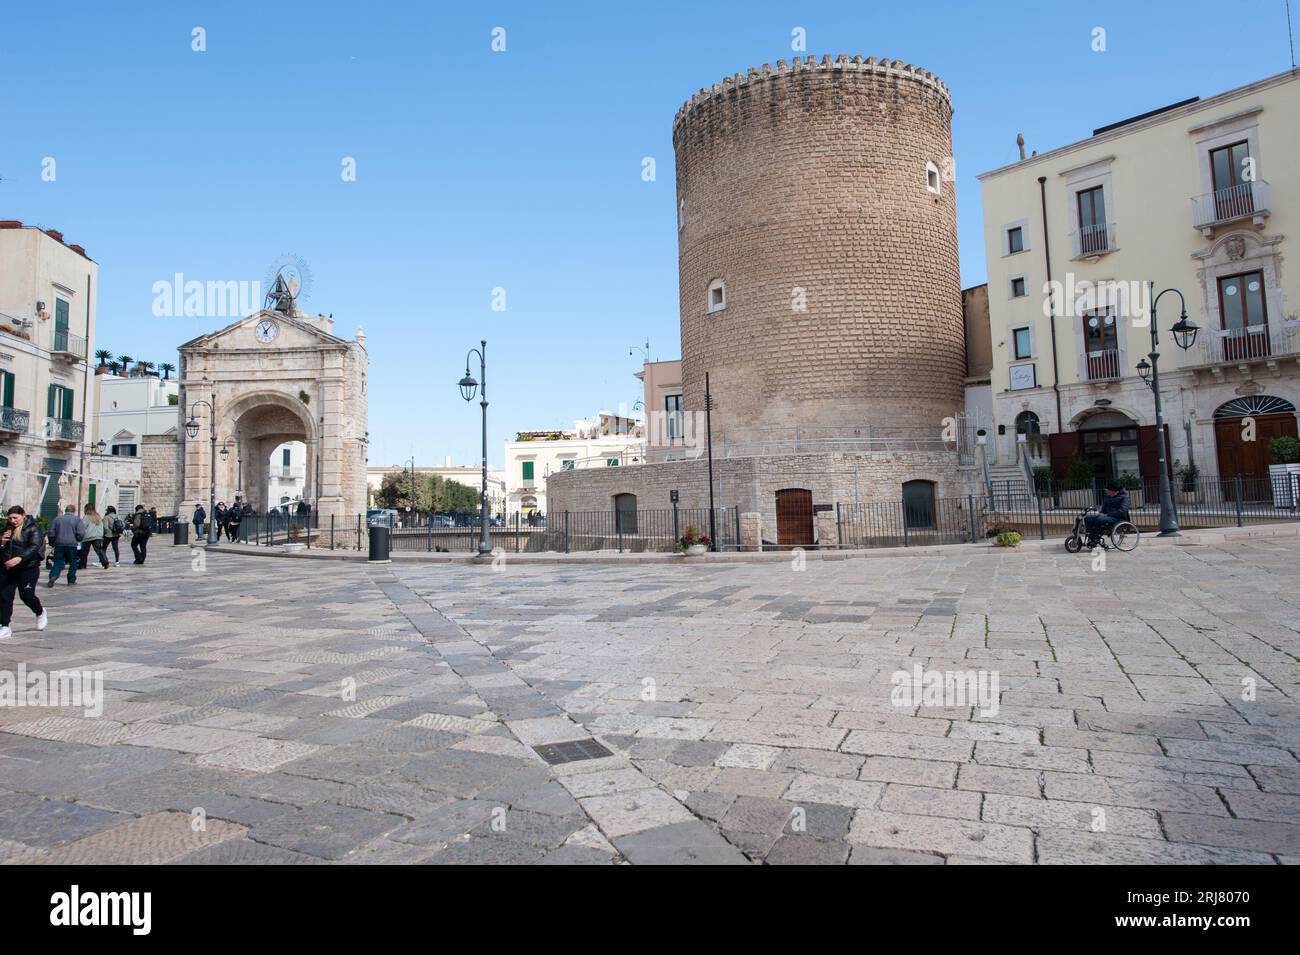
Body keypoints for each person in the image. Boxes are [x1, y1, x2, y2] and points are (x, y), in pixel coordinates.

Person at [0, 505, 47, 639]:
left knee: (27, 595)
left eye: (15, 518)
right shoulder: (6, 530)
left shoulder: (33, 529)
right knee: (5, 597)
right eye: (10, 518)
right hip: (7, 568)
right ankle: (4, 625)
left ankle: (40, 612)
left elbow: (34, 547)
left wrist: (19, 558)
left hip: (28, 568)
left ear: (23, 516)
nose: (13, 521)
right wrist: (2, 542)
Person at [47, 504, 85, 587]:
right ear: (74, 511)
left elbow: (51, 532)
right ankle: (71, 580)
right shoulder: (77, 520)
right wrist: (78, 539)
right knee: (73, 562)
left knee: (58, 562)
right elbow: (81, 533)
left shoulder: (57, 519)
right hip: (72, 544)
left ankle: (53, 576)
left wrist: (52, 542)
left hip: (59, 544)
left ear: (65, 510)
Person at [79, 506, 110, 570]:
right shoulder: (98, 516)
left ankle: (82, 565)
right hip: (98, 536)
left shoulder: (86, 517)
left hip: (88, 536)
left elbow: (83, 527)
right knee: (99, 550)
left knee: (84, 552)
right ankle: (105, 562)